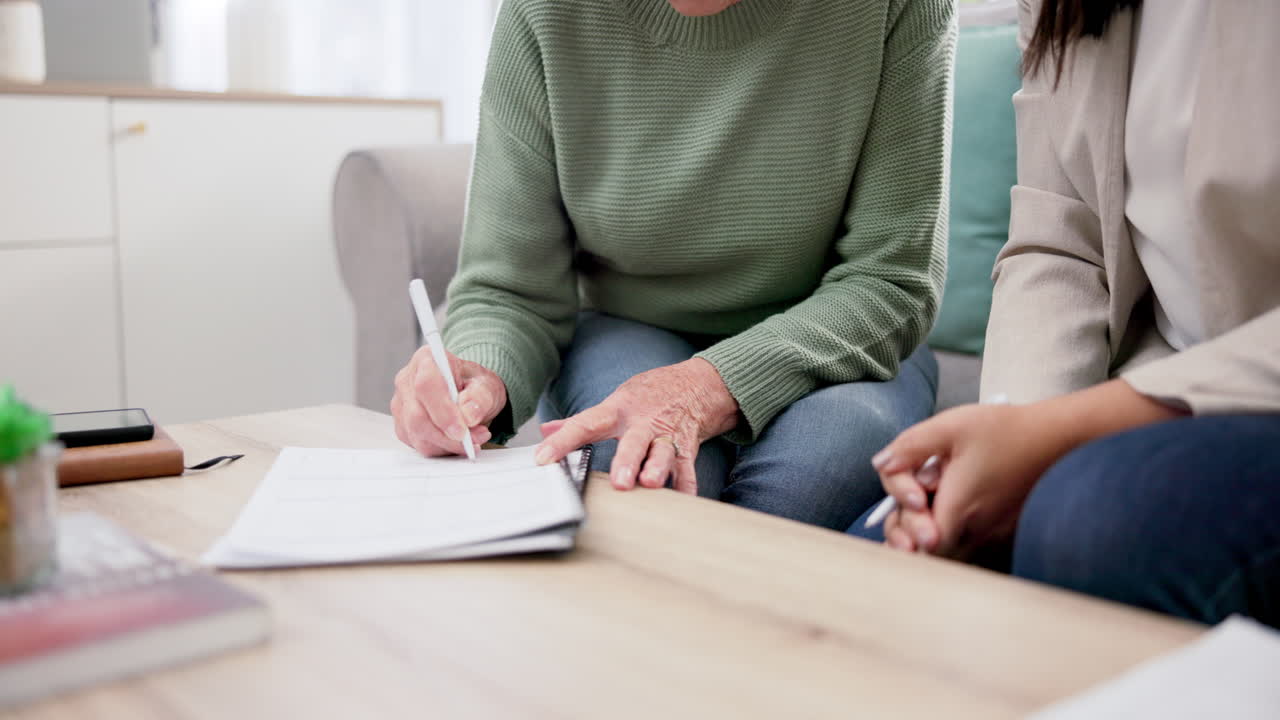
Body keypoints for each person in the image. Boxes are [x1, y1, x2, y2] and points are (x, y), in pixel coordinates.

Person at [390, 0, 956, 530]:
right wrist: (478, 375)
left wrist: (708, 386)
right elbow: (511, 289)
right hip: (628, 325)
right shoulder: (545, 12)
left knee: (799, 494)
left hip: (836, 336)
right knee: (642, 480)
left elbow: (891, 281)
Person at [850, 0, 1280, 626]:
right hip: (1149, 384)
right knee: (886, 559)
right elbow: (1061, 236)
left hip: (1243, 394)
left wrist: (1056, 435)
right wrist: (1007, 429)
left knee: (1086, 525)